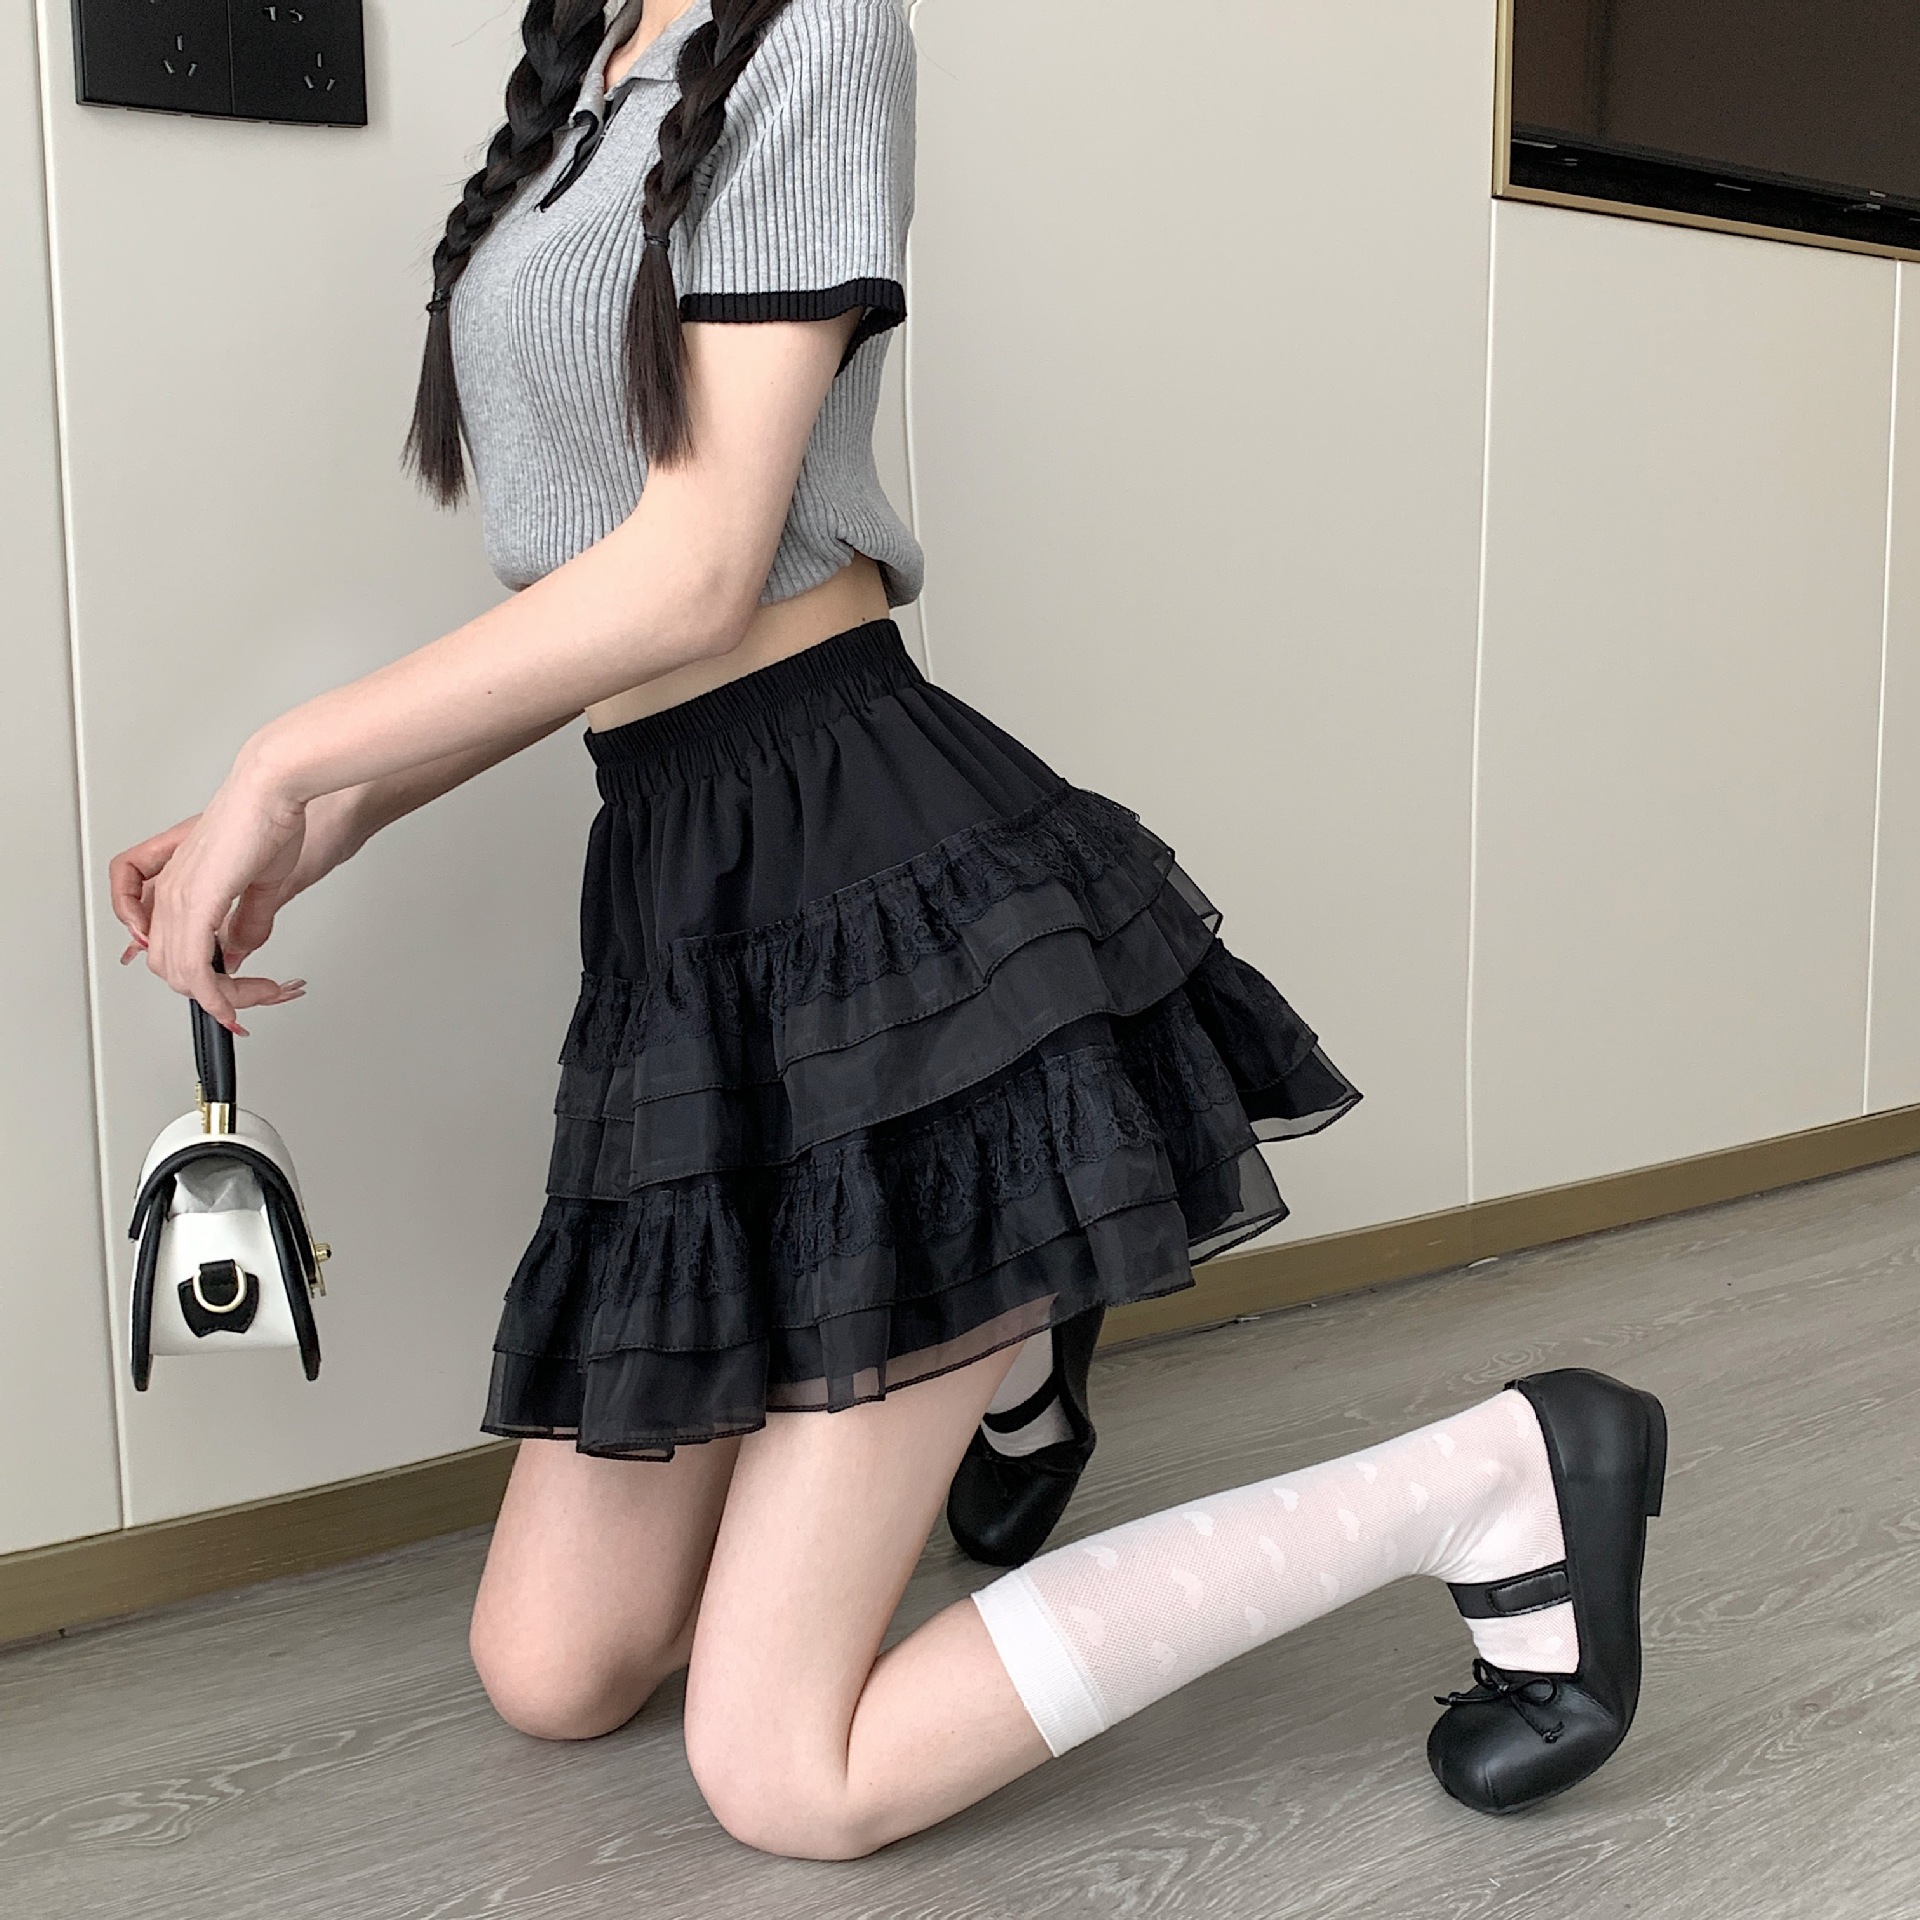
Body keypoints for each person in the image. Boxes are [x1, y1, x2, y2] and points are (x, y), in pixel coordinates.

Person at [108, 0, 1666, 1860]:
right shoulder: (591, 70)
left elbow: (701, 572)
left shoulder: (820, 30)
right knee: (551, 1667)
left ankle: (1501, 1478)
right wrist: (325, 821)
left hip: (866, 873)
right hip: (676, 901)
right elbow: (589, 604)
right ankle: (996, 1348)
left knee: (791, 1779)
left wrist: (287, 754)